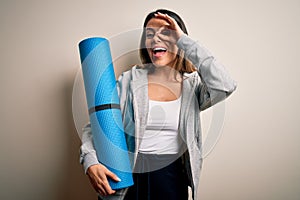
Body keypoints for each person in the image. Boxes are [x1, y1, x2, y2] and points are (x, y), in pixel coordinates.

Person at [79, 8, 237, 200]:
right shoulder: (129, 81)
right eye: (150, 34)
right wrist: (91, 161)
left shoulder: (192, 87)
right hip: (127, 175)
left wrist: (183, 40)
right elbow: (97, 125)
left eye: (166, 33)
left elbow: (225, 85)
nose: (155, 39)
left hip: (170, 178)